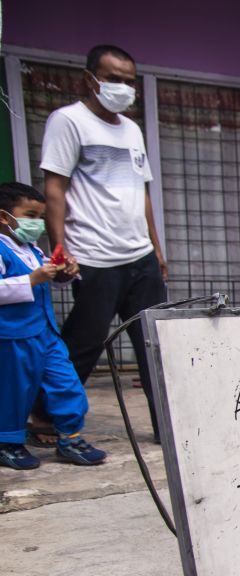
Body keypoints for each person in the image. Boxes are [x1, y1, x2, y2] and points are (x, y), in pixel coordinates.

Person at [37, 43, 167, 443]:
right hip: (95, 255)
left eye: (129, 81)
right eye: (114, 79)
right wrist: (61, 249)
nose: (123, 88)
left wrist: (156, 248)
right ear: (89, 79)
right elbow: (55, 188)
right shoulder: (68, 121)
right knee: (84, 342)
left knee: (157, 345)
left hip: (140, 257)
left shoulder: (131, 129)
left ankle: (169, 425)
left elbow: (143, 193)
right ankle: (45, 418)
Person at [0, 182, 106, 469]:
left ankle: (70, 437)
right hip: (13, 336)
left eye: (39, 217)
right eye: (30, 216)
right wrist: (32, 280)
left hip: (45, 333)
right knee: (15, 389)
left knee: (65, 382)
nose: (37, 224)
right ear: (3, 217)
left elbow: (49, 272)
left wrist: (64, 271)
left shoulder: (31, 250)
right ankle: (9, 442)